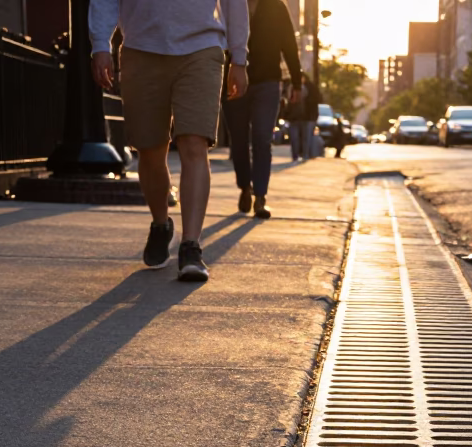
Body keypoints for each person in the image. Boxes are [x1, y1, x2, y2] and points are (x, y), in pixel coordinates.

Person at [90, 0, 248, 282]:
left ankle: (191, 246)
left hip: (202, 47)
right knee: (150, 150)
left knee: (195, 144)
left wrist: (239, 57)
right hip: (141, 48)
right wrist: (101, 44)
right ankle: (161, 224)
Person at [223, 0, 301, 220]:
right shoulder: (229, 4)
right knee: (238, 140)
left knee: (262, 138)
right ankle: (244, 187)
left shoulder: (276, 7)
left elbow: (289, 44)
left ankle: (260, 197)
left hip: (267, 81)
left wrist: (296, 82)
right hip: (233, 80)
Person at [289, 78, 322, 162]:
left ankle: (304, 155)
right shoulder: (292, 87)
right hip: (295, 117)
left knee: (305, 138)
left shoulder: (311, 88)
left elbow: (317, 101)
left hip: (306, 117)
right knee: (297, 138)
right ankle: (298, 155)